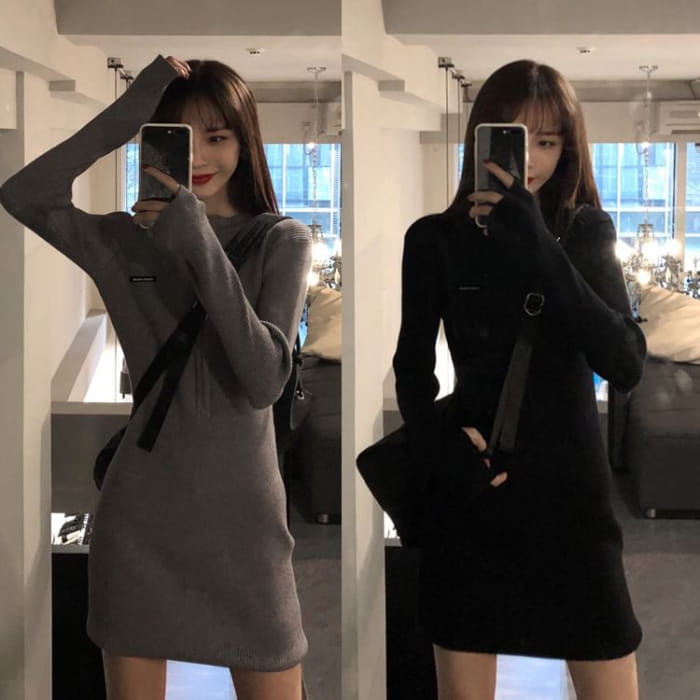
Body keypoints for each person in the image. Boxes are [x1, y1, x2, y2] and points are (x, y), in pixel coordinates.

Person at [0, 55, 311, 700]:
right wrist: (127, 114)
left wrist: (194, 236)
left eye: (217, 136)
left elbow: (262, 379)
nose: (197, 156)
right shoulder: (122, 242)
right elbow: (24, 193)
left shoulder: (281, 241)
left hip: (244, 523)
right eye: (176, 137)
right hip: (141, 518)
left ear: (245, 143)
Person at [392, 59, 644, 700]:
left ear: (568, 148)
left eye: (548, 141)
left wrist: (539, 245)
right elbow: (411, 372)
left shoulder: (585, 232)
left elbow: (625, 362)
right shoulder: (433, 240)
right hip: (473, 496)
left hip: (571, 504)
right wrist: (445, 453)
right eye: (512, 138)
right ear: (479, 138)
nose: (529, 159)